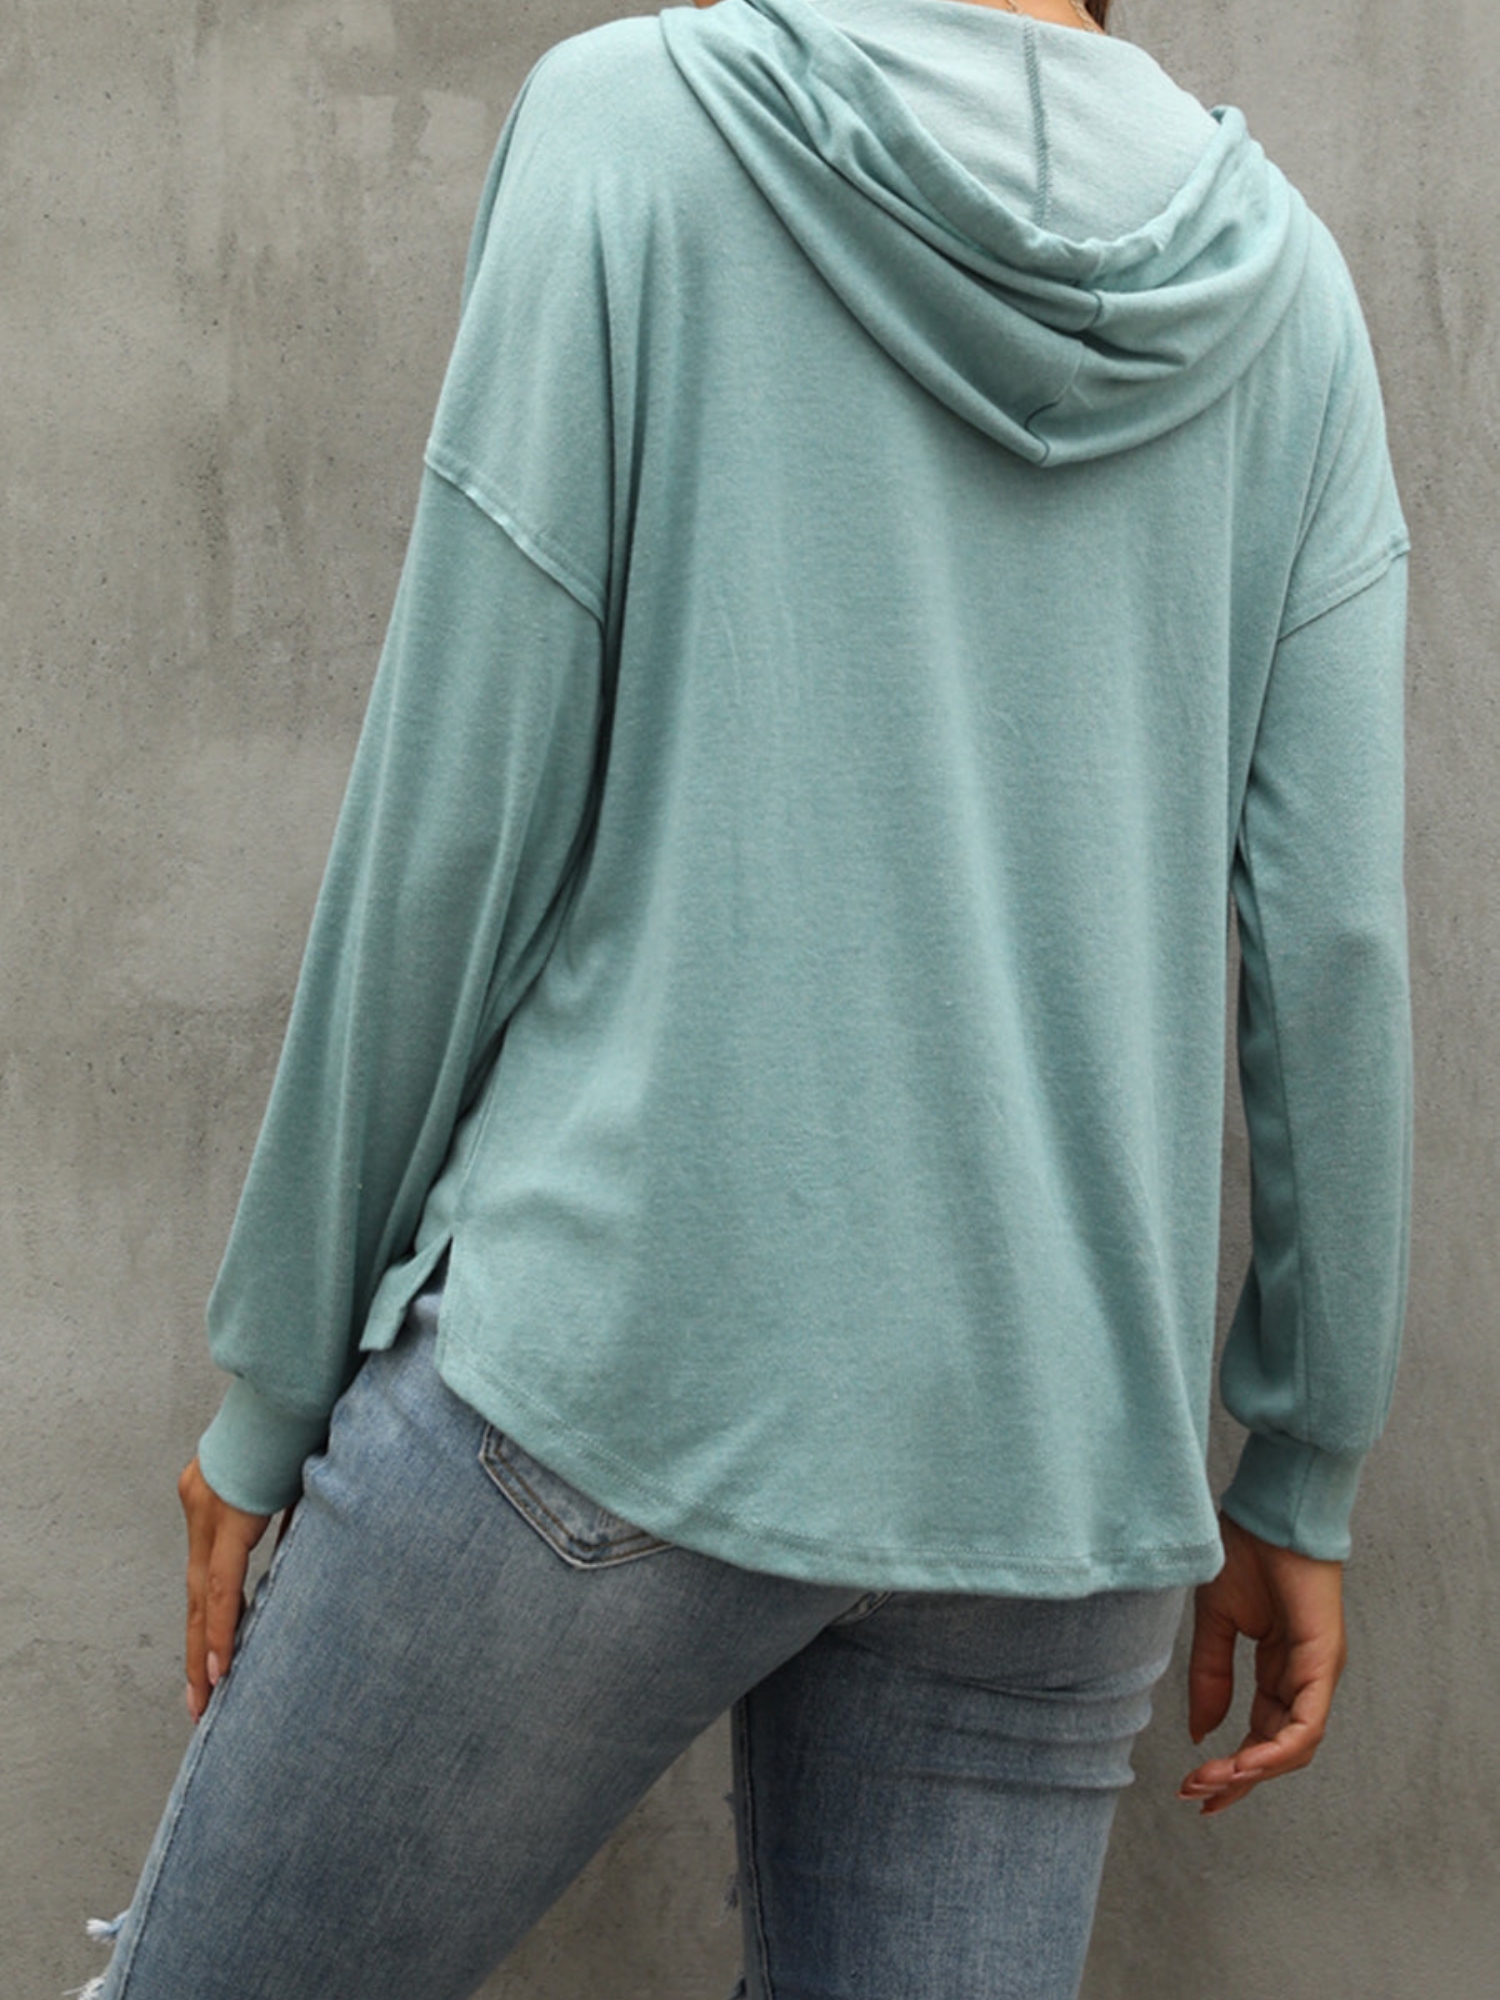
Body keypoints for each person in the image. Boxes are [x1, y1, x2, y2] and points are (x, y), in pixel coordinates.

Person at [82, 0, 1411, 1994]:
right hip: (1049, 1477)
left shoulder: (639, 132)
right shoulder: (1288, 293)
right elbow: (1334, 944)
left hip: (614, 1387)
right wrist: (1301, 1464)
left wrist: (274, 1383)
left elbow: (456, 809)